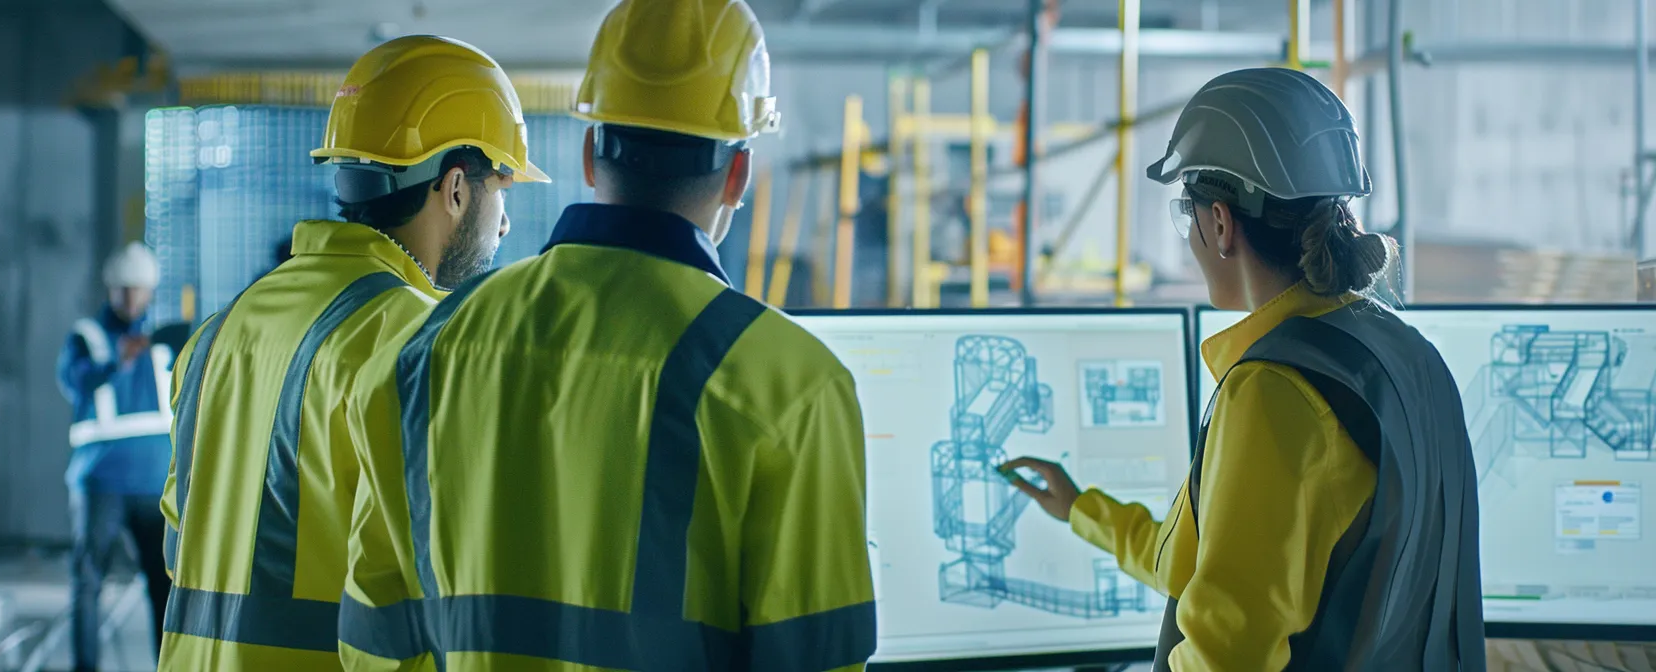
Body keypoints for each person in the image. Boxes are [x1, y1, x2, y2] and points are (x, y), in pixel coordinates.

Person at [336, 1, 876, 669]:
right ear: (737, 176)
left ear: (590, 154)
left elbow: (373, 638)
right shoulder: (790, 388)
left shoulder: (426, 348)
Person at [1005, 68, 1485, 671]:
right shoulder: (1405, 355)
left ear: (1222, 223)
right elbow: (1207, 561)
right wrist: (1082, 509)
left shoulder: (1277, 388)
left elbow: (1226, 656)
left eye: (1190, 213)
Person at [158, 35, 545, 671]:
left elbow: (180, 547)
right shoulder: (420, 343)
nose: (504, 223)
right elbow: (405, 609)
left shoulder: (219, 331)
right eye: (502, 188)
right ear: (455, 188)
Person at [56, 241, 174, 672]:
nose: (131, 297)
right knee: (88, 582)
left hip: (154, 486)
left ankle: (169, 665)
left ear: (150, 291)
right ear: (111, 288)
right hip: (101, 482)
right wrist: (115, 364)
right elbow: (74, 382)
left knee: (164, 586)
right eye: (124, 289)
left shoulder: (163, 344)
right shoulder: (88, 339)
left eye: (139, 289)